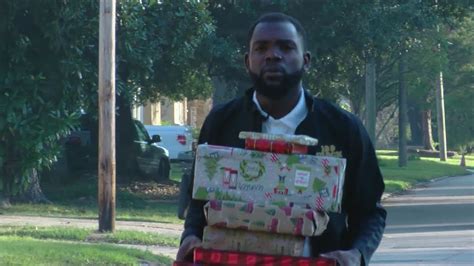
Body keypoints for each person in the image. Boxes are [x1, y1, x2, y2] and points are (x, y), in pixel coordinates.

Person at [176, 12, 386, 266]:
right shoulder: (222, 122)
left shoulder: (343, 128)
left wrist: (357, 253)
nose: (273, 55)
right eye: (261, 48)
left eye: (286, 47)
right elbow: (199, 201)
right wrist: (190, 237)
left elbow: (370, 211)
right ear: (247, 61)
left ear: (306, 61)